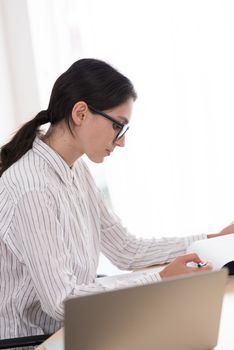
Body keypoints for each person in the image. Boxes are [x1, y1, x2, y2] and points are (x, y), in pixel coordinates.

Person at [0, 58, 232, 340]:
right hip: (33, 341)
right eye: (118, 126)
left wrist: (211, 238)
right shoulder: (32, 188)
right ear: (81, 113)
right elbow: (62, 301)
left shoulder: (75, 169)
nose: (121, 141)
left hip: (73, 329)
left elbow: (126, 249)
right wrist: (159, 279)